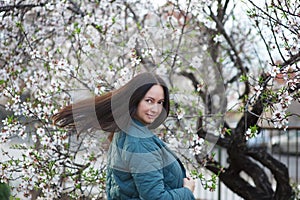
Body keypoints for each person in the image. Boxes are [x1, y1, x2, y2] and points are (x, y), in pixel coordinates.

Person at [52, 72, 195, 200]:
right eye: (149, 101)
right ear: (135, 100)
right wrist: (187, 191)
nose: (155, 109)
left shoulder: (126, 130)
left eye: (160, 102)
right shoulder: (138, 142)